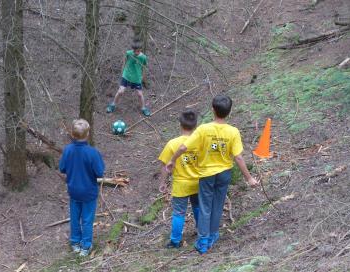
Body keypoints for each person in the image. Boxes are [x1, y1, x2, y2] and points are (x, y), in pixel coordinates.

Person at [166, 95, 258, 254]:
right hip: (224, 173)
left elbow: (183, 148)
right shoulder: (233, 132)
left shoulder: (203, 129)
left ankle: (203, 241)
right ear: (229, 112)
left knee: (205, 207)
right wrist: (249, 178)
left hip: (207, 175)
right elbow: (238, 156)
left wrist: (172, 160)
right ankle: (213, 235)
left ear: (213, 110)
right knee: (217, 206)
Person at [59, 119, 105, 256]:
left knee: (74, 217)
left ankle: (75, 243)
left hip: (73, 190)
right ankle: (85, 246)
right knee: (87, 219)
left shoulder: (67, 150)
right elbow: (100, 172)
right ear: (88, 134)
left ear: (72, 134)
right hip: (89, 192)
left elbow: (62, 168)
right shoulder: (92, 153)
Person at [158, 110, 200, 248]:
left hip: (181, 184)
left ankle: (175, 241)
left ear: (180, 125)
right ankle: (202, 232)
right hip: (198, 182)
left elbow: (165, 165)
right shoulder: (200, 142)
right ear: (195, 125)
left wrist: (163, 183)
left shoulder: (172, 144)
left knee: (179, 213)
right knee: (198, 208)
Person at [106, 40, 150, 116]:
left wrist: (143, 77)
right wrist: (124, 70)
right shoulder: (128, 53)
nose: (136, 53)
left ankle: (143, 108)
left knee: (139, 94)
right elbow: (125, 61)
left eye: (138, 51)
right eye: (135, 51)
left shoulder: (143, 57)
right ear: (132, 49)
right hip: (126, 76)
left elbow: (144, 67)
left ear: (141, 50)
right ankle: (112, 105)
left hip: (136, 78)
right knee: (120, 92)